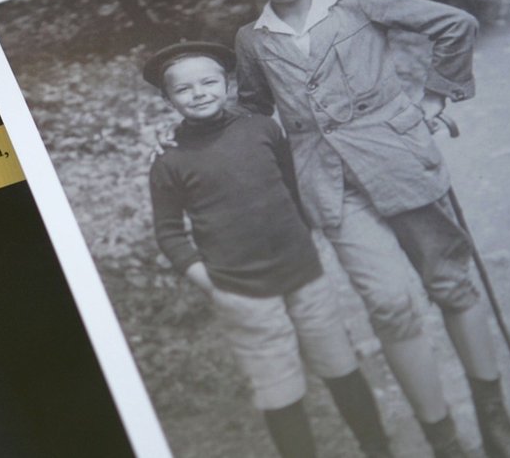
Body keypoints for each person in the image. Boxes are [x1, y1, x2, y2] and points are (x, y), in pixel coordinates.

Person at [215, 0, 510, 457]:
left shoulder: (357, 5)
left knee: (451, 284)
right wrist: (204, 131)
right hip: (329, 181)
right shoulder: (252, 38)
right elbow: (253, 109)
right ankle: (445, 442)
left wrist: (435, 98)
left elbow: (454, 25)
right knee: (389, 305)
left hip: (401, 160)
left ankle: (494, 420)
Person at [146, 41, 391, 458]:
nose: (199, 93)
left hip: (303, 271)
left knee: (340, 364)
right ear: (167, 98)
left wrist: (308, 236)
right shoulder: (168, 162)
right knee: (278, 387)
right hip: (240, 289)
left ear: (228, 84)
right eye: (184, 89)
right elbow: (169, 232)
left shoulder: (261, 128)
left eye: (209, 82)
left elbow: (294, 186)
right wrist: (208, 281)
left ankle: (377, 448)